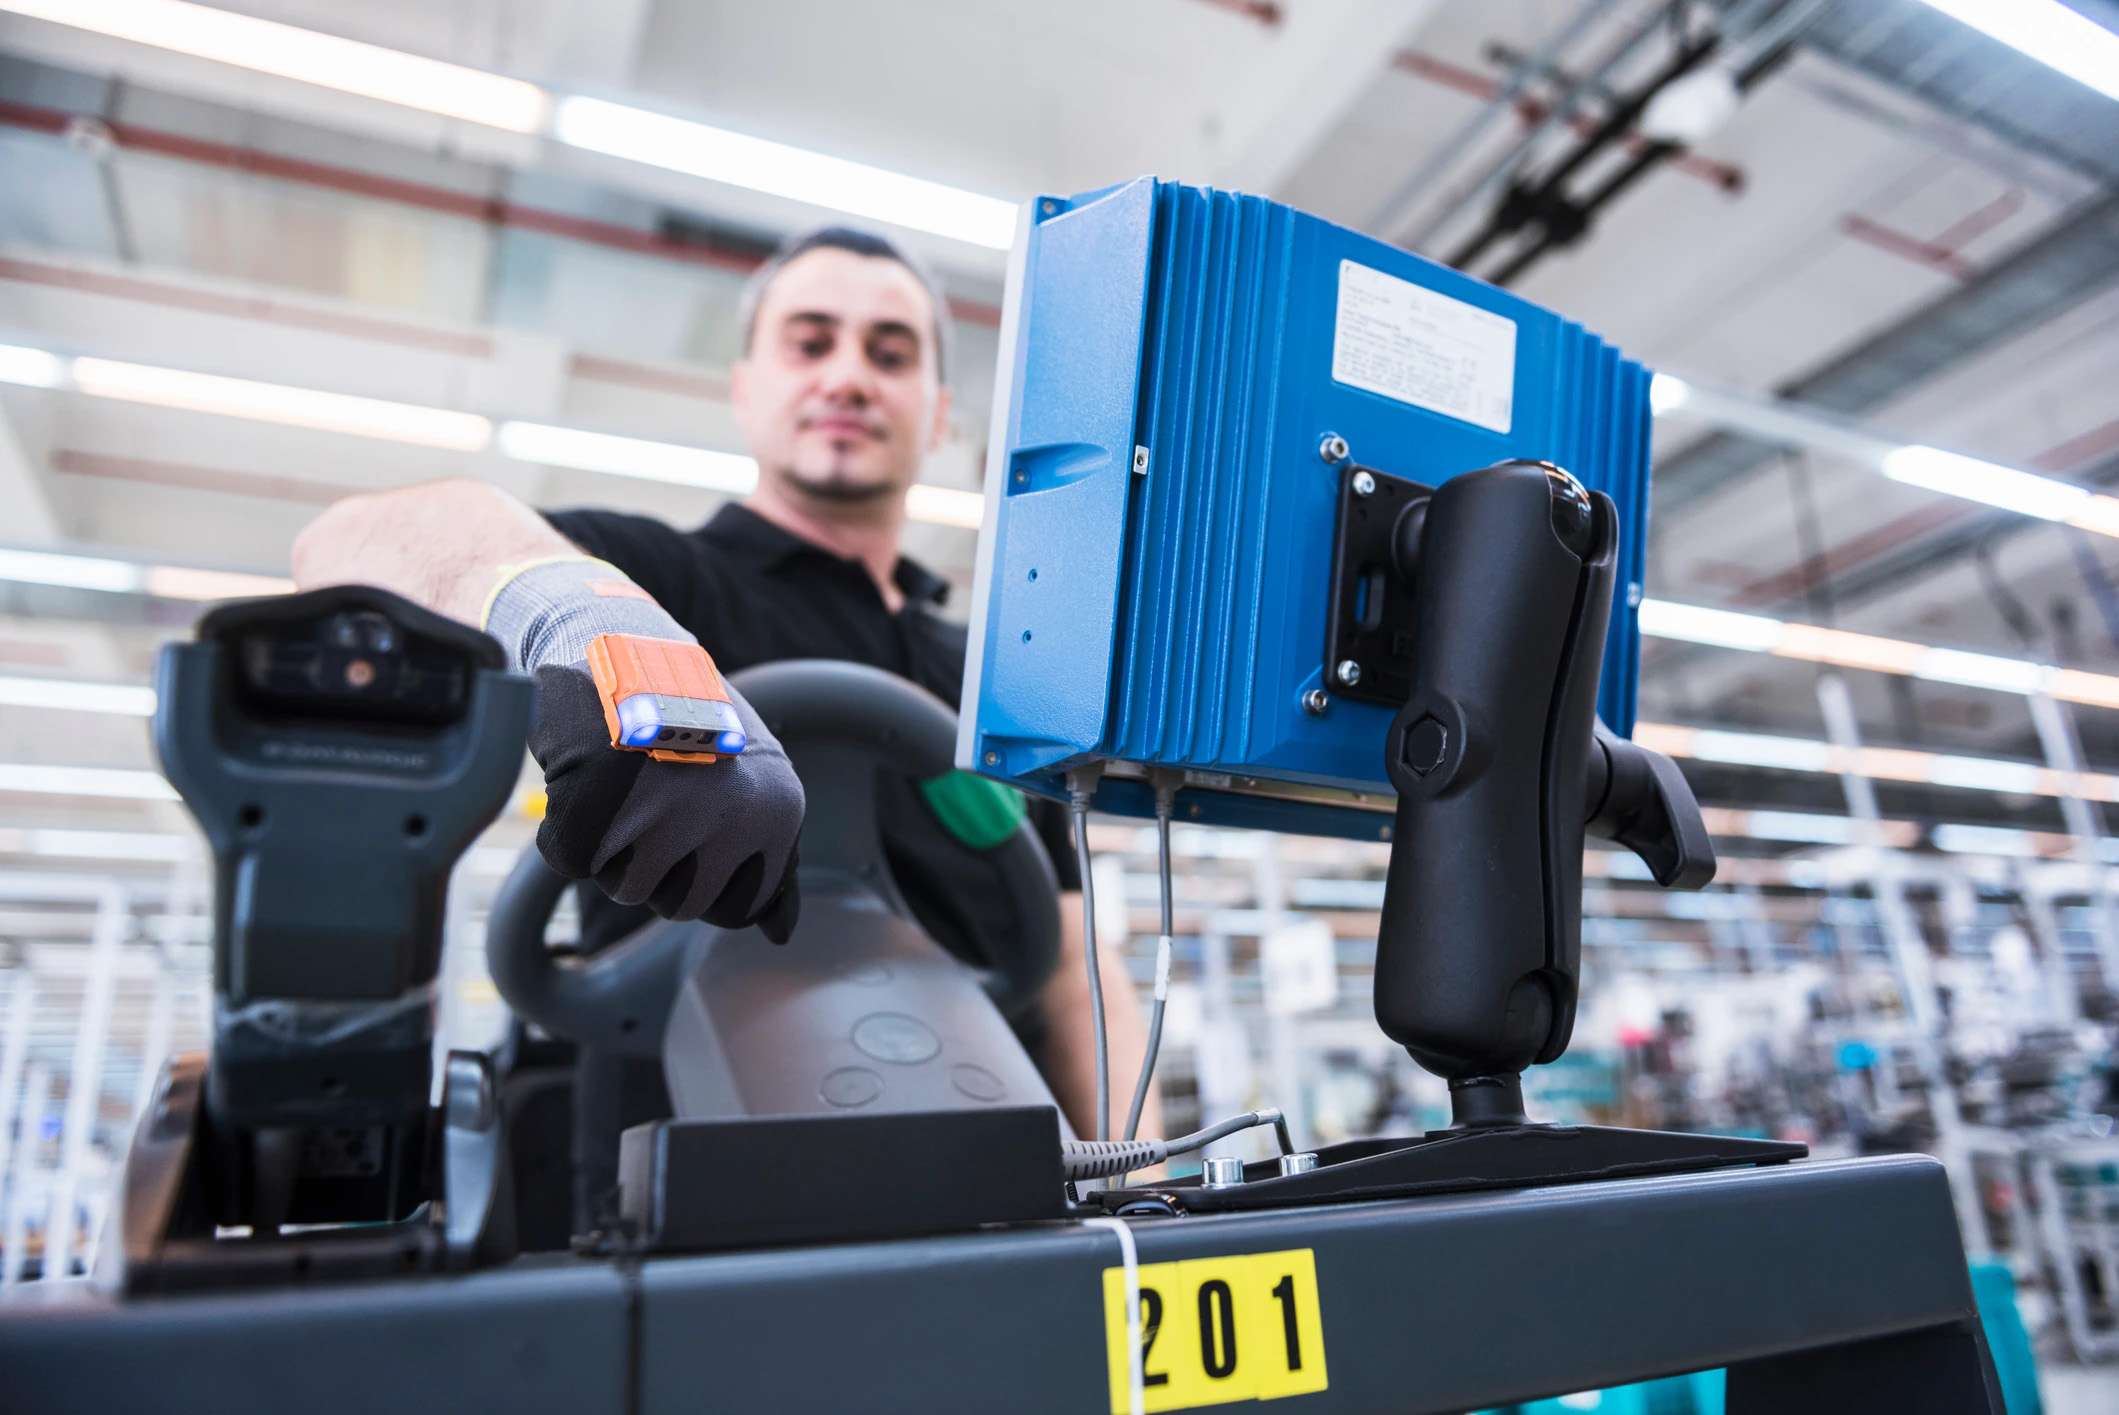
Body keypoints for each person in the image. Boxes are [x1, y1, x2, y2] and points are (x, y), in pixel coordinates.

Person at [292, 225, 1160, 1227]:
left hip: (1001, 1194)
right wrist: (579, 617)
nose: (847, 375)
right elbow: (341, 545)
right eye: (809, 340)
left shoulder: (994, 671)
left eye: (889, 353)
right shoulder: (650, 581)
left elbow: (1067, 960)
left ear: (938, 413)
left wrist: (1138, 1199)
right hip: (686, 1221)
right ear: (747, 386)